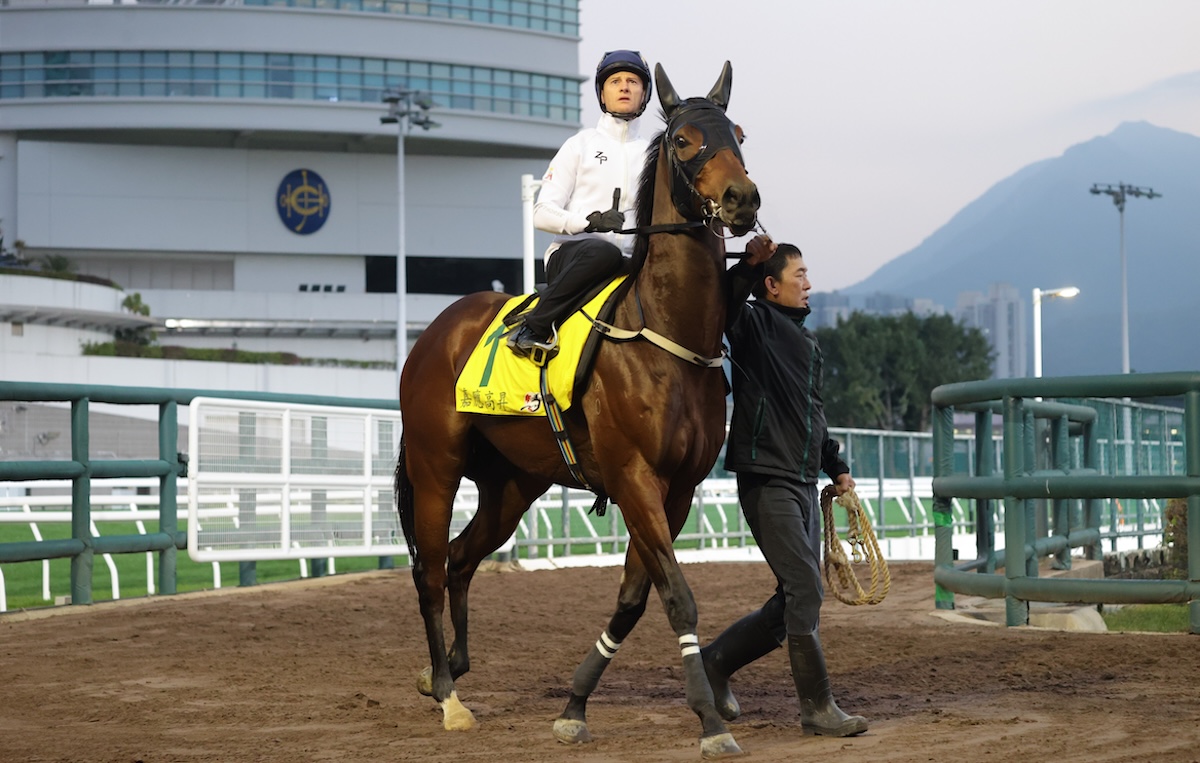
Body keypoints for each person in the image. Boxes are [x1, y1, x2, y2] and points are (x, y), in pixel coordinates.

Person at [700, 237, 868, 737]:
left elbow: (811, 414)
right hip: (767, 478)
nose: (809, 284)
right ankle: (817, 709)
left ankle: (714, 664)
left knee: (794, 596)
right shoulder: (751, 322)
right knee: (805, 588)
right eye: (799, 276)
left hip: (802, 480)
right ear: (770, 286)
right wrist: (749, 265)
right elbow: (725, 303)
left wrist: (834, 464)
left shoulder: (808, 342)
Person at [506, 49, 653, 360]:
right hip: (574, 256)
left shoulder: (653, 154)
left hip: (632, 263)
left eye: (632, 81)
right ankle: (533, 327)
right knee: (604, 251)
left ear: (644, 94)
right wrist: (589, 222)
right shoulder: (580, 145)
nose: (624, 87)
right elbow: (541, 214)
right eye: (615, 81)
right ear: (602, 93)